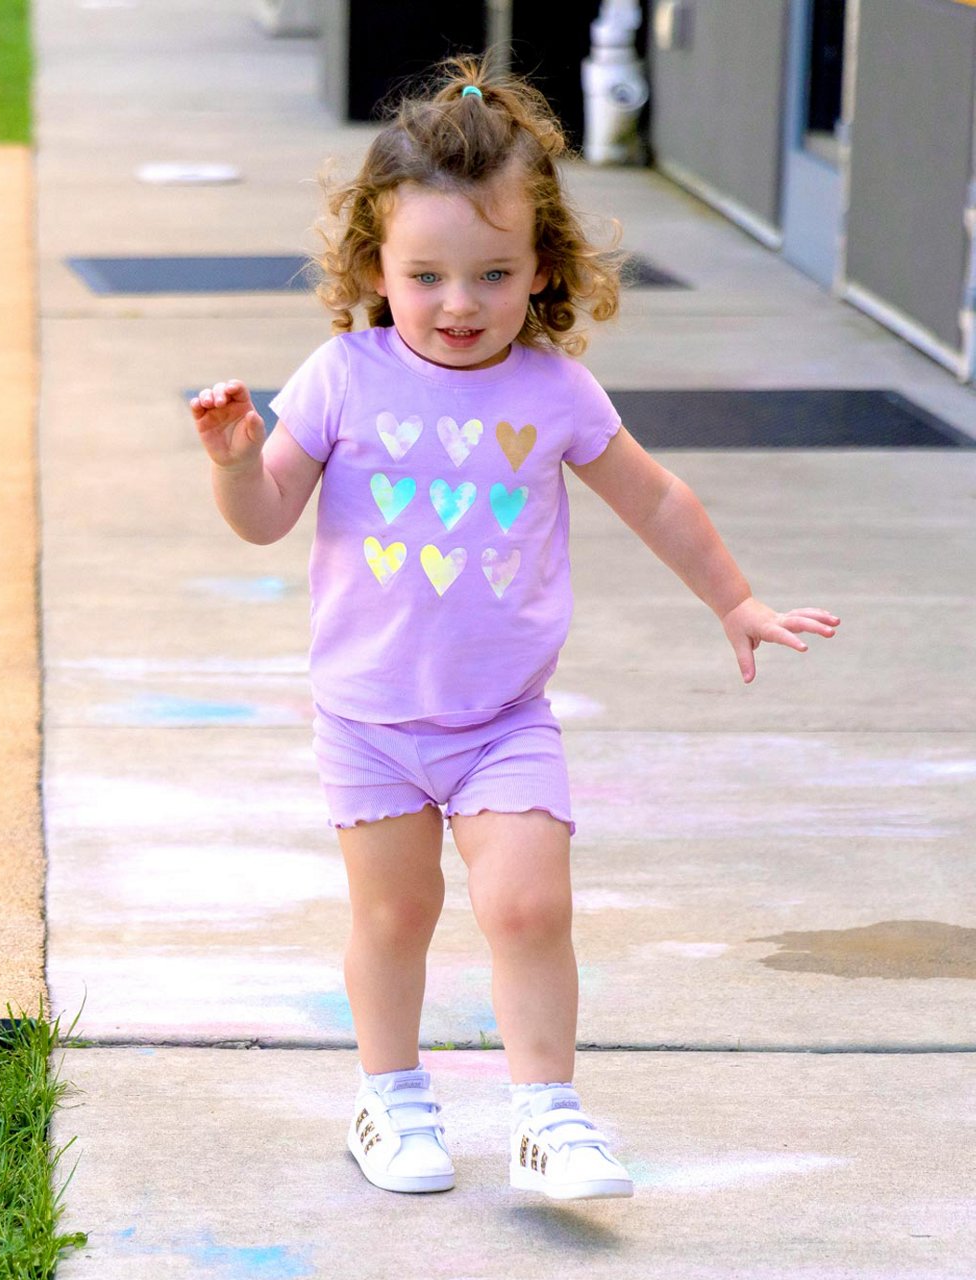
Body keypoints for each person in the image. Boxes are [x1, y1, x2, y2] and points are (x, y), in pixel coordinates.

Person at [191, 55, 839, 1202]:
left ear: (540, 267)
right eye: (426, 274)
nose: (458, 303)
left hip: (501, 718)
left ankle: (547, 1113)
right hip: (371, 718)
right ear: (374, 269)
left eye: (492, 273)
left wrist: (732, 598)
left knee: (529, 903)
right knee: (395, 913)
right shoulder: (342, 376)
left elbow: (653, 496)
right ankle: (388, 1100)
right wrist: (239, 465)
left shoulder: (552, 391)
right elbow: (264, 519)